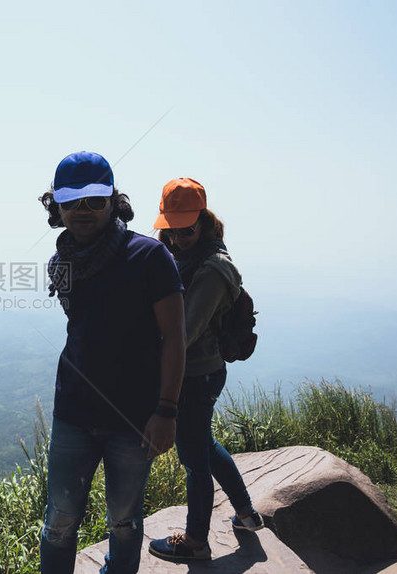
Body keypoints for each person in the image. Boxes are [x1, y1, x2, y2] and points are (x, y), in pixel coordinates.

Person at [38, 151, 186, 574]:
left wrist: (167, 411)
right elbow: (82, 326)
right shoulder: (62, 262)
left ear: (113, 201)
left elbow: (174, 338)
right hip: (74, 411)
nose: (82, 211)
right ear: (56, 207)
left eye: (94, 200)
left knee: (124, 522)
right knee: (59, 522)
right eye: (71, 202)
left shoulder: (150, 256)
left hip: (134, 417)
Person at [147, 178, 264, 562]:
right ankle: (246, 514)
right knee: (205, 447)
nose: (179, 237)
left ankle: (196, 542)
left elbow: (186, 331)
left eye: (187, 229)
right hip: (195, 372)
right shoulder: (185, 258)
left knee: (194, 460)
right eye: (172, 229)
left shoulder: (213, 268)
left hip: (197, 373)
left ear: (203, 220)